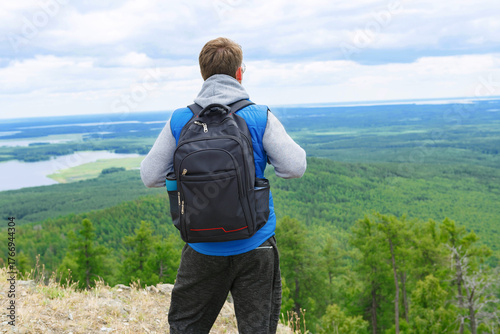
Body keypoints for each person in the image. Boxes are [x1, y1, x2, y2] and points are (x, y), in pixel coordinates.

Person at [140, 37, 306, 334]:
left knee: (186, 326)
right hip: (256, 243)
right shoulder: (258, 115)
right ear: (240, 72)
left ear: (202, 73)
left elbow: (150, 175)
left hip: (201, 246)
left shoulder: (181, 119)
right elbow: (294, 167)